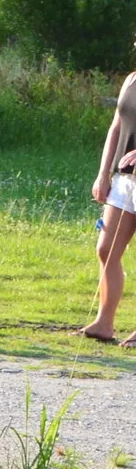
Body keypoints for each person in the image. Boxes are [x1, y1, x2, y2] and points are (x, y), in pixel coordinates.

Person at [84, 68, 136, 342]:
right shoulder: (131, 79)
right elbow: (116, 126)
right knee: (106, 249)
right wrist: (103, 173)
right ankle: (104, 323)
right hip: (124, 179)